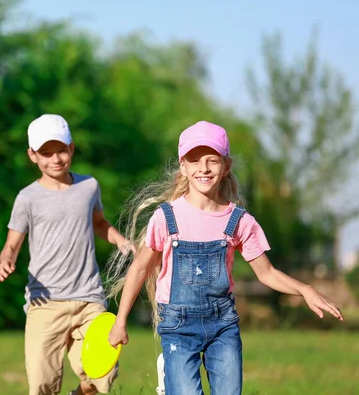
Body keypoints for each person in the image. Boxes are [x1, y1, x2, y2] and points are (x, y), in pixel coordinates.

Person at [106, 121, 344, 395]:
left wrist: (305, 289)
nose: (203, 168)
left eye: (212, 160)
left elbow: (266, 273)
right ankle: (170, 375)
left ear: (226, 165)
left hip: (222, 325)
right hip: (178, 326)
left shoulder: (239, 221)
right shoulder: (167, 217)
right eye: (194, 160)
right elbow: (139, 269)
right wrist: (120, 320)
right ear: (183, 166)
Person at [0, 114, 134, 395]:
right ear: (32, 155)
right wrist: (6, 260)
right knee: (42, 385)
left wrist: (120, 241)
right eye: (46, 153)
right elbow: (12, 243)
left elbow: (98, 223)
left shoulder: (89, 187)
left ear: (71, 148)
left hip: (88, 297)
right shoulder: (27, 198)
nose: (55, 159)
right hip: (45, 302)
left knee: (103, 372)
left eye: (61, 150)